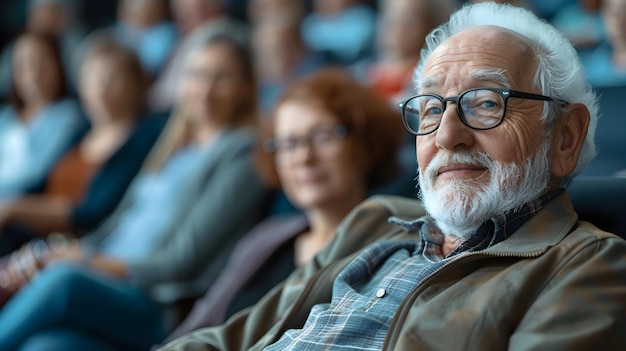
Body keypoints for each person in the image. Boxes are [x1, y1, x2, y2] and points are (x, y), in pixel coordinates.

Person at [159, 2, 626, 350]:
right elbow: (223, 340)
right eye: (430, 108)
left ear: (564, 137)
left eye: (486, 103)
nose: (447, 136)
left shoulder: (586, 266)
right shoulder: (374, 223)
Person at [0, 31, 271, 351]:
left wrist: (80, 261)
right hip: (104, 282)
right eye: (196, 74)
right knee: (46, 346)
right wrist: (54, 254)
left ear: (247, 87)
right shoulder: (172, 147)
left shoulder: (243, 155)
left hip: (154, 305)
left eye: (221, 77)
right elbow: (113, 228)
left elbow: (182, 261)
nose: (205, 89)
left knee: (63, 281)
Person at [160, 67, 404, 345]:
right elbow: (198, 326)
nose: (303, 156)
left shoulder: (394, 251)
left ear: (366, 144)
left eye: (323, 136)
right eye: (288, 143)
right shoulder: (265, 237)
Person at [0, 37, 164, 256]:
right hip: (28, 239)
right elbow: (40, 186)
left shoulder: (143, 139)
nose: (100, 89)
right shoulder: (82, 132)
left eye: (112, 79)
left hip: (71, 250)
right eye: (92, 79)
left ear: (137, 83)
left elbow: (93, 213)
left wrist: (14, 209)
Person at [0, 31, 87, 201]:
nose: (34, 73)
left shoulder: (69, 116)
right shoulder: (5, 116)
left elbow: (35, 175)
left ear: (59, 65)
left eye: (42, 62)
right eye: (23, 65)